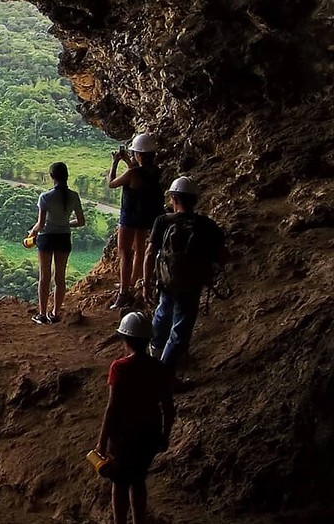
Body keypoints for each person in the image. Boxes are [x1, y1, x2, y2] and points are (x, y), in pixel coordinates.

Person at [96, 312, 175, 524]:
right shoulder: (159, 368)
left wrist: (101, 443)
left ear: (125, 340)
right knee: (138, 480)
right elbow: (168, 406)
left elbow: (112, 407)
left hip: (123, 436)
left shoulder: (120, 368)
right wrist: (165, 435)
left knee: (120, 482)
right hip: (150, 434)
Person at [144, 176, 226, 368]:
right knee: (180, 330)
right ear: (195, 200)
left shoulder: (162, 221)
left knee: (162, 314)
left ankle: (153, 358)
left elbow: (149, 253)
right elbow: (221, 256)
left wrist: (146, 283)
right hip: (191, 284)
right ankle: (165, 371)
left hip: (166, 281)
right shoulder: (207, 225)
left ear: (173, 198)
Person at [107, 133, 163, 309]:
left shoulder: (132, 173)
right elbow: (140, 175)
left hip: (130, 217)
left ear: (138, 154)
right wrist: (128, 162)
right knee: (140, 250)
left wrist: (116, 162)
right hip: (147, 217)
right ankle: (135, 283)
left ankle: (124, 293)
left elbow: (112, 183)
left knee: (125, 252)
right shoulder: (156, 171)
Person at [26, 161, 85, 323]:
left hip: (46, 238)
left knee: (44, 277)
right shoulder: (73, 196)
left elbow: (41, 224)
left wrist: (33, 231)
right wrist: (65, 224)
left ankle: (42, 314)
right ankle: (55, 313)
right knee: (60, 278)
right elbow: (80, 221)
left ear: (52, 177)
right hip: (63, 239)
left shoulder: (45, 197)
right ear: (66, 176)